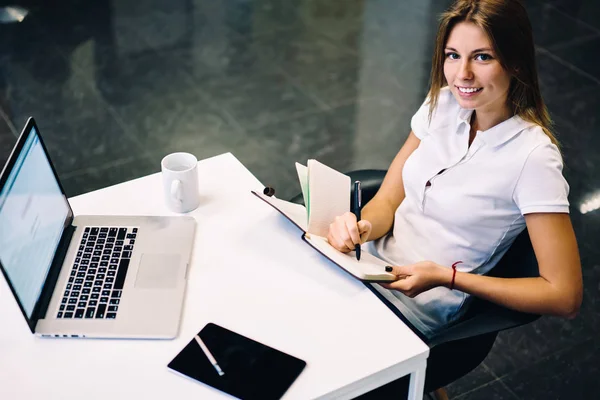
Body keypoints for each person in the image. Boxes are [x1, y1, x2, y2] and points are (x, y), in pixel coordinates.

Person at [327, 0, 583, 397]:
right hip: (366, 267)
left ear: (515, 62)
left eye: (482, 57)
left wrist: (447, 277)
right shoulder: (442, 102)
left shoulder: (533, 158)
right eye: (452, 55)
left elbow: (564, 295)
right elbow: (389, 199)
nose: (462, 74)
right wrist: (362, 226)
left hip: (418, 307)